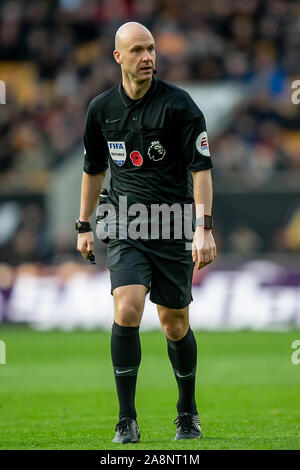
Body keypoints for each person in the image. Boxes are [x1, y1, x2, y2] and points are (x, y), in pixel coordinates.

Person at [76, 22, 217, 444]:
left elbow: (201, 170)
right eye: (137, 50)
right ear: (118, 57)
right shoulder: (101, 110)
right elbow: (93, 169)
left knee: (174, 324)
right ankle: (126, 420)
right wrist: (84, 225)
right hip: (125, 222)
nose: (148, 57)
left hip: (173, 224)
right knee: (127, 308)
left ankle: (187, 412)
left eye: (151, 49)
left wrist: (202, 228)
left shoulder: (180, 106)